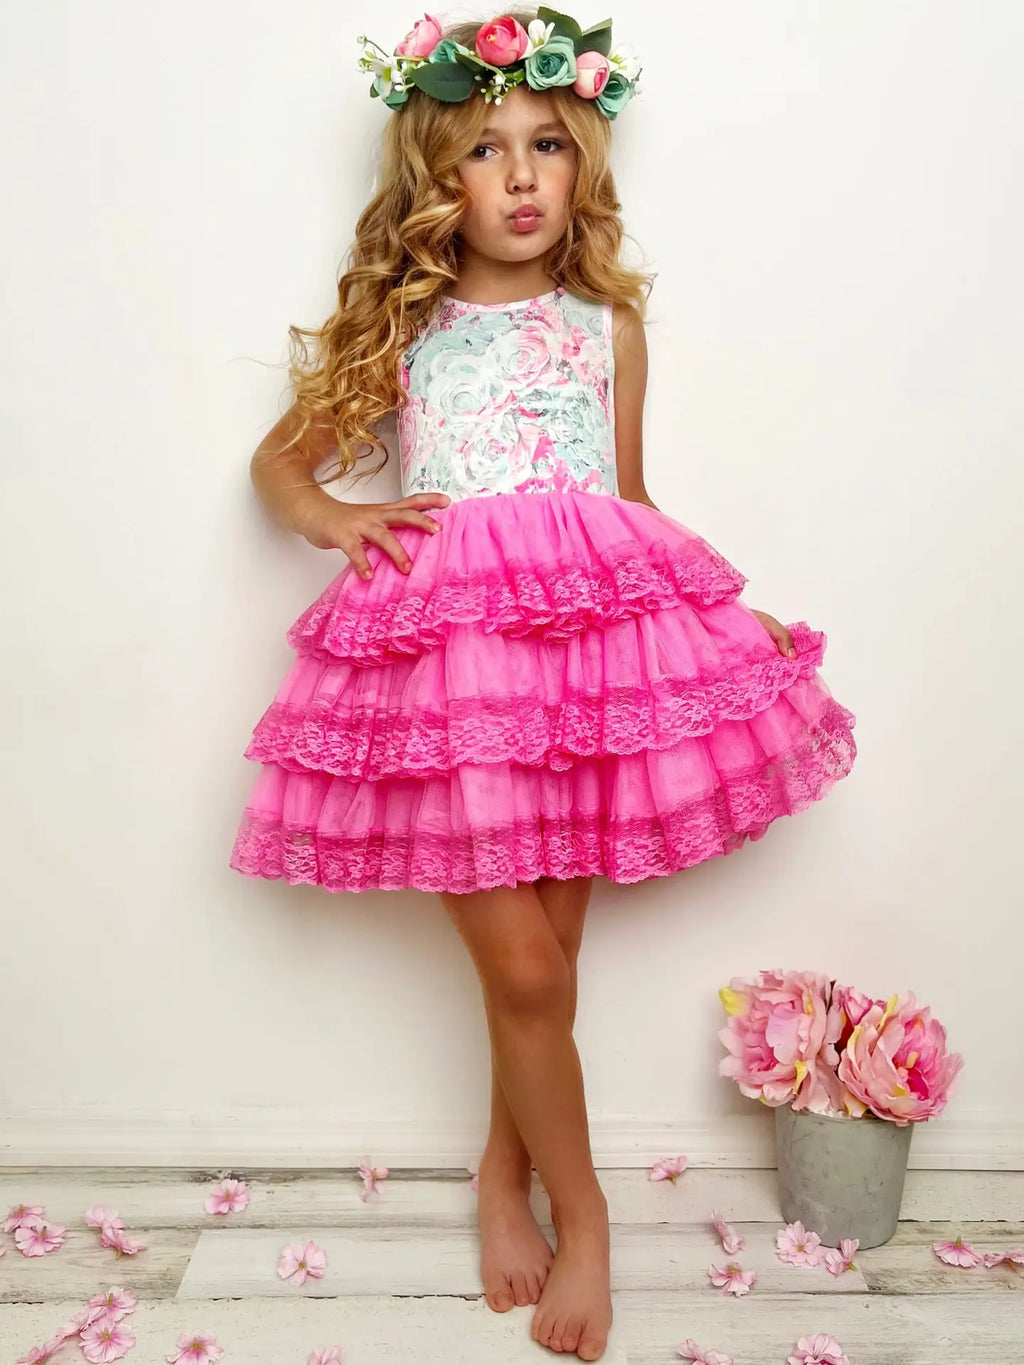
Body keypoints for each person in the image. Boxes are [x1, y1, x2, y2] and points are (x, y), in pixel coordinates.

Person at [229, 9, 858, 1360]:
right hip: (451, 673)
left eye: (548, 146)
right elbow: (279, 465)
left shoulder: (607, 328)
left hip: (586, 662)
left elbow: (625, 501)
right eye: (485, 152)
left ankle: (498, 1175)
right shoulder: (405, 331)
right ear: (432, 182)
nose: (520, 177)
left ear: (582, 167)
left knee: (548, 966)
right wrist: (339, 518)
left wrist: (727, 616)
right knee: (520, 962)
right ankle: (589, 1215)